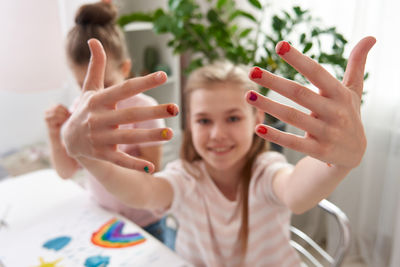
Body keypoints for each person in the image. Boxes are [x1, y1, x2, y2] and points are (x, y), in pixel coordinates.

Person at [61, 36, 376, 266]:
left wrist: (337, 162)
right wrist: (85, 155)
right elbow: (143, 192)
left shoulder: (266, 171)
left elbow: (296, 193)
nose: (217, 134)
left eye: (233, 118)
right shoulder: (186, 178)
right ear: (190, 124)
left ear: (257, 118)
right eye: (203, 120)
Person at [44, 1, 176, 248]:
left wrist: (99, 158)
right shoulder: (79, 111)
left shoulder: (144, 108)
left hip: (144, 219)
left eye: (103, 83)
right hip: (103, 215)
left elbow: (151, 171)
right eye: (83, 85)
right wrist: (56, 134)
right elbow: (66, 172)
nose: (94, 96)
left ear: (125, 68)